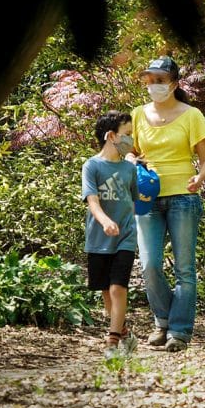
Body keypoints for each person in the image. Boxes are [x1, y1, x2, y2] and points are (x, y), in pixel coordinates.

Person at [130, 56, 205, 352]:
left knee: (185, 270)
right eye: (150, 80)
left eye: (160, 80)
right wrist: (129, 159)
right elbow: (132, 152)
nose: (153, 85)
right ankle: (162, 320)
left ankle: (179, 331)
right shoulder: (138, 114)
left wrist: (199, 179)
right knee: (149, 265)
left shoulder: (192, 115)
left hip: (183, 196)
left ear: (174, 84)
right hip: (147, 197)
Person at [82, 110, 139, 358]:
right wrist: (105, 221)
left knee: (118, 289)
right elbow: (92, 201)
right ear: (111, 136)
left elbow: (137, 200)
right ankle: (125, 332)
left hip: (125, 236)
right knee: (107, 294)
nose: (131, 140)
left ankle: (112, 344)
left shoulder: (130, 169)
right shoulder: (91, 165)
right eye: (127, 134)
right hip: (99, 238)